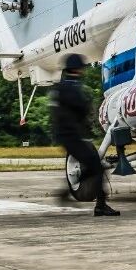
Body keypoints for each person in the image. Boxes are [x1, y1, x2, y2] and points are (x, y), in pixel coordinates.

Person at [51, 54, 118, 216]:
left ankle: (68, 193)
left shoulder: (59, 87)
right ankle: (100, 206)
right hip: (72, 136)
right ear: (76, 69)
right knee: (97, 167)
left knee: (94, 166)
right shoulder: (70, 87)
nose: (83, 71)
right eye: (81, 68)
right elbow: (81, 107)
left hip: (66, 135)